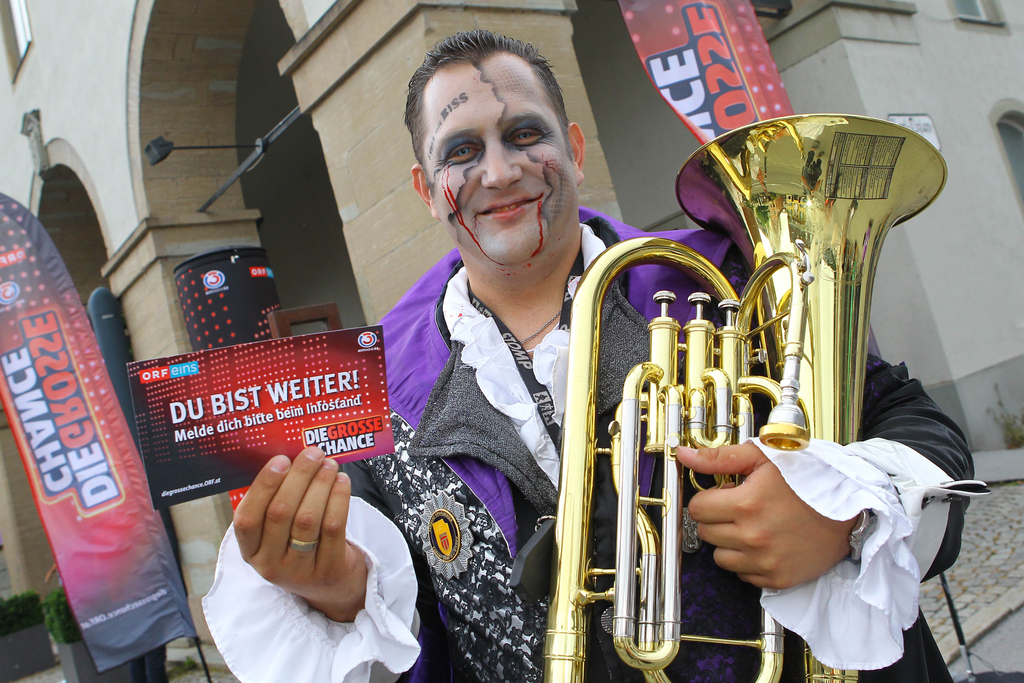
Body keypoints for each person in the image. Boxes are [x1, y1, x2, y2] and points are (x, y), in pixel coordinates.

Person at [203, 30, 977, 683]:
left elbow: (918, 428)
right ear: (426, 189)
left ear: (573, 149)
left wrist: (844, 515)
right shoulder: (374, 389)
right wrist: (340, 591)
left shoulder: (735, 275)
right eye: (462, 150)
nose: (499, 172)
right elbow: (424, 645)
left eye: (525, 134)